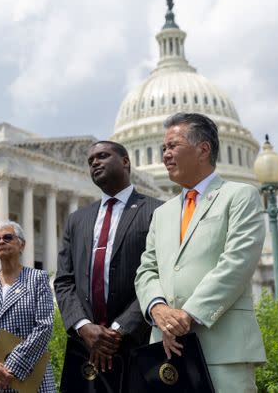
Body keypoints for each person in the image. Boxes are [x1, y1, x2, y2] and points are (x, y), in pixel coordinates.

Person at [135, 113, 266, 392]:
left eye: (173, 146)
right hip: (167, 351)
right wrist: (158, 309)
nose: (165, 155)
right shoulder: (162, 213)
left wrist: (188, 314)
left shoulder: (239, 196)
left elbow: (237, 263)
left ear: (203, 149)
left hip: (223, 350)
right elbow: (147, 270)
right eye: (163, 149)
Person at [55, 141, 162, 392]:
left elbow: (160, 274)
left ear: (125, 162)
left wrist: (118, 329)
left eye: (103, 156)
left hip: (137, 340)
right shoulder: (77, 219)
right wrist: (83, 326)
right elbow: (64, 280)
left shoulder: (156, 211)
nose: (94, 162)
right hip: (85, 346)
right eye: (90, 160)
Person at [0, 220, 55, 393]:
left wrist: (11, 367)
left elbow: (45, 326)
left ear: (22, 244)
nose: (0, 241)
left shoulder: (37, 279)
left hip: (26, 376)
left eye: (7, 237)